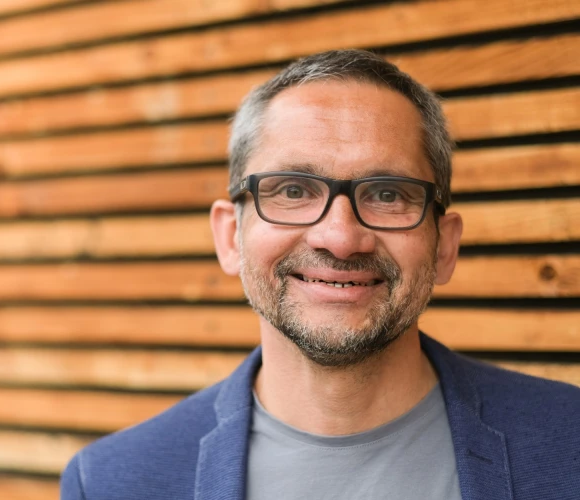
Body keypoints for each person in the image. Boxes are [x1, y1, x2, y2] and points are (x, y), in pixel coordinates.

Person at [60, 50, 580, 500]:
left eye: (386, 194)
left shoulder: (570, 444)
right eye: (292, 190)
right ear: (229, 238)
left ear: (444, 247)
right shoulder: (112, 482)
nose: (339, 236)